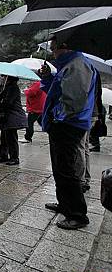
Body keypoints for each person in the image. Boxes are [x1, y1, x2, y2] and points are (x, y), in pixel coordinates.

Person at [39, 37, 96, 230]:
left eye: (54, 49)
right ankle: (65, 204)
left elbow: (73, 101)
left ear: (64, 47)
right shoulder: (69, 65)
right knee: (60, 168)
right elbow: (55, 91)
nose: (52, 53)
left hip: (68, 124)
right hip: (63, 123)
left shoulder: (78, 66)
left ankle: (78, 214)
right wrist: (47, 78)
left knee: (67, 169)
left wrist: (57, 117)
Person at [0, 77, 27, 165]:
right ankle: (3, 156)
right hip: (6, 116)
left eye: (4, 77)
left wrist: (0, 103)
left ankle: (14, 158)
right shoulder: (7, 87)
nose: (2, 78)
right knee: (4, 137)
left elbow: (8, 102)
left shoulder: (13, 88)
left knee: (11, 138)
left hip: (12, 116)